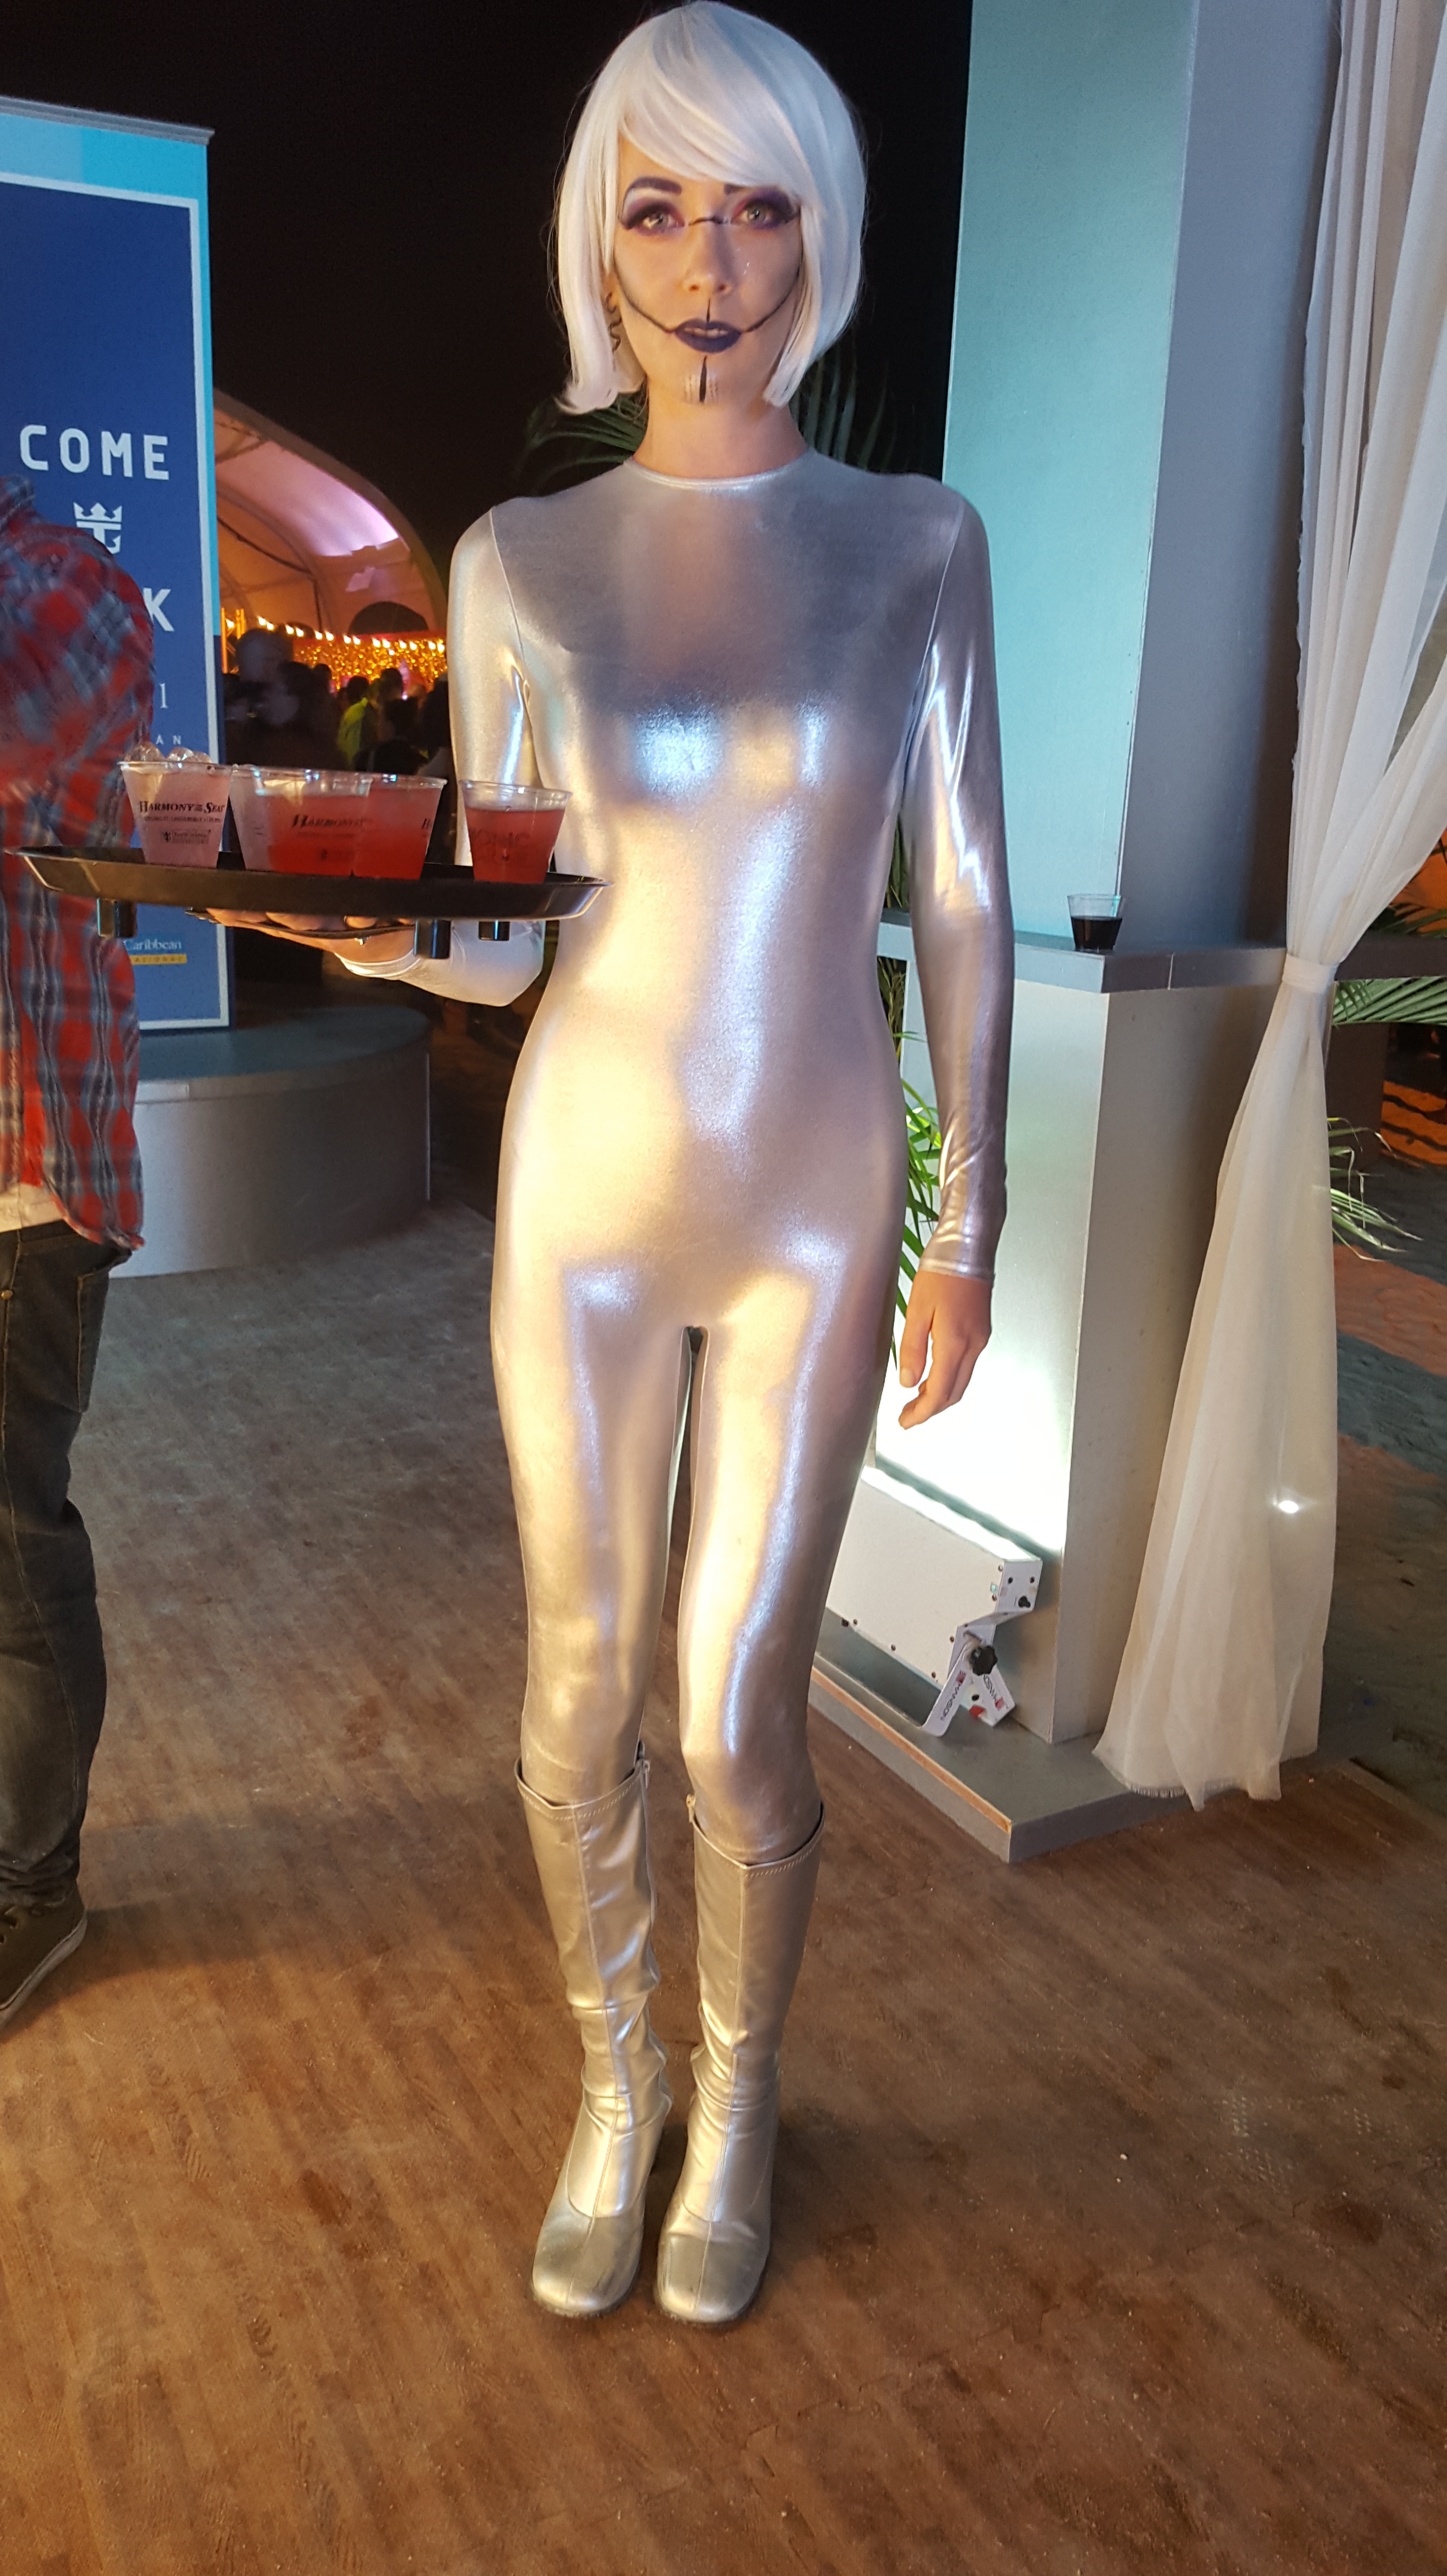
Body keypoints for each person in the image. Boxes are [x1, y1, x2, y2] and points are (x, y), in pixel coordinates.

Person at [240, 0, 1011, 2327]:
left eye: (756, 207)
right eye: (659, 209)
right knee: (576, 1687)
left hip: (808, 1203)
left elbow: (959, 895)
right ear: (602, 239)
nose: (707, 264)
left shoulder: (915, 544)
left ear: (817, 235)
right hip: (579, 1182)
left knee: (732, 1705)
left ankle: (739, 2092)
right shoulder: (516, 560)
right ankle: (616, 2082)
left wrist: (969, 1212)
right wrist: (355, 929)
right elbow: (509, 935)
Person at [0, 474, 153, 2029]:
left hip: (17, 1177)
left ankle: (33, 1890)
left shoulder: (66, 583)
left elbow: (21, 722)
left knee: (9, 1545)